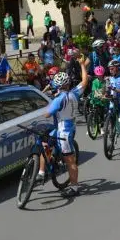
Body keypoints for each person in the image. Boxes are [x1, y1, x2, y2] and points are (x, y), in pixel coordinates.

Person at [39, 57, 90, 197]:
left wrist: (46, 106)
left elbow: (47, 115)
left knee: (70, 161)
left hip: (64, 131)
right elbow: (85, 82)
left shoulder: (59, 99)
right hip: (70, 126)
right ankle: (41, 172)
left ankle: (75, 188)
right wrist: (82, 66)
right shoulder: (74, 93)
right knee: (45, 143)